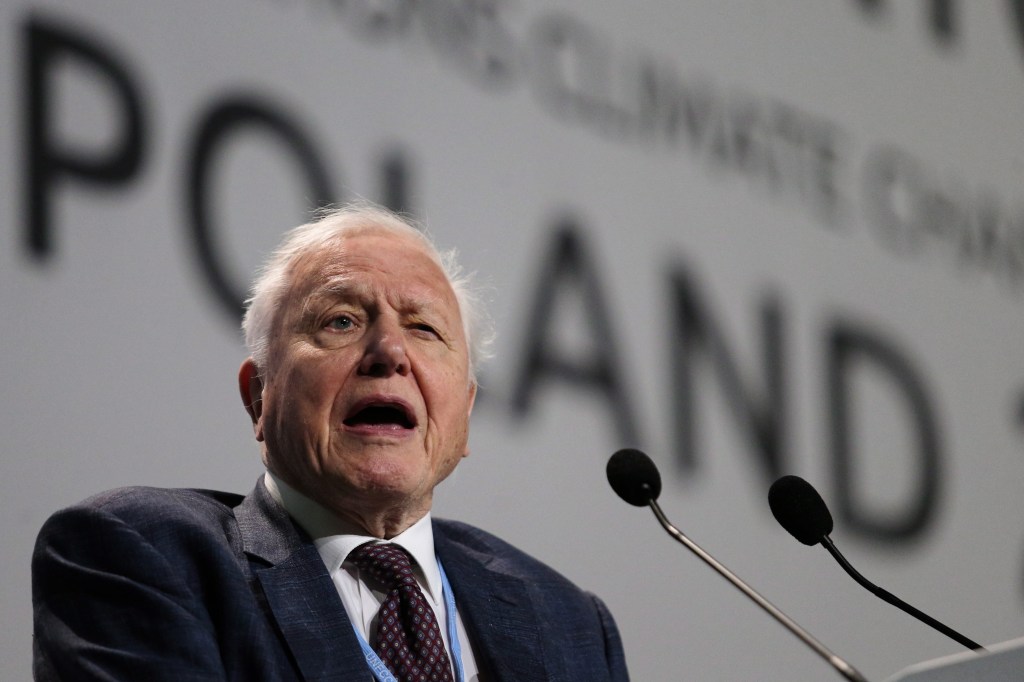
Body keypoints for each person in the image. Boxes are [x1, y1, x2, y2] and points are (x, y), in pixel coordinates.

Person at [32, 202, 630, 681]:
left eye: (423, 328)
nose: (391, 353)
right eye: (340, 321)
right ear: (259, 397)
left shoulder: (566, 619)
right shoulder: (146, 554)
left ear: (465, 413)